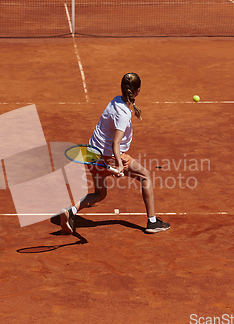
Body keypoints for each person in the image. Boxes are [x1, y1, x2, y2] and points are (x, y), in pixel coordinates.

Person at [60, 73, 170, 234]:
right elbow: (115, 143)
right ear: (137, 91)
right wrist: (119, 164)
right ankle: (152, 222)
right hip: (109, 157)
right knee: (145, 176)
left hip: (92, 154)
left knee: (100, 194)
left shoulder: (115, 100)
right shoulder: (124, 114)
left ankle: (71, 211)